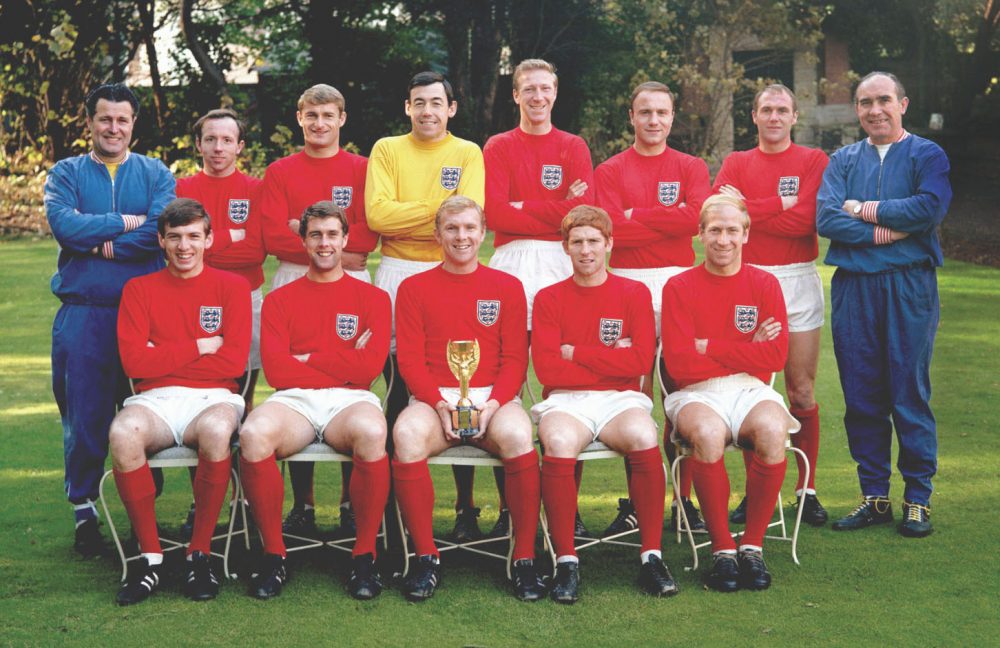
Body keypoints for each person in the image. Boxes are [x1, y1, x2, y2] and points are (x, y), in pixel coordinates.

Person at [817, 71, 951, 538]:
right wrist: (884, 232)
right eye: (865, 102)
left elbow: (929, 209)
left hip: (908, 286)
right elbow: (827, 217)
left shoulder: (926, 154)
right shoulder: (842, 160)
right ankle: (874, 496)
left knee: (908, 391)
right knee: (862, 395)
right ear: (857, 109)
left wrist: (865, 209)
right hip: (855, 289)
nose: (875, 110)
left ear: (903, 103)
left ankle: (917, 498)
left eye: (884, 100)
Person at [391, 196, 544, 602]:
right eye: (452, 229)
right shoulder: (412, 288)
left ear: (484, 232)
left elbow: (515, 358)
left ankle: (524, 558)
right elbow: (409, 359)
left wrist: (493, 405)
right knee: (406, 435)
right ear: (437, 234)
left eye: (470, 228)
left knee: (517, 434)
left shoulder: (508, 287)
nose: (462, 236)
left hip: (494, 398)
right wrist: (438, 404)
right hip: (435, 398)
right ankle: (425, 557)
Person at [44, 83, 175, 556]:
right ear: (90, 122)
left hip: (148, 317)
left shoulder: (156, 172)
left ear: (133, 124)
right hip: (86, 316)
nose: (113, 128)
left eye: (122, 120)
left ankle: (146, 510)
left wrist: (98, 234)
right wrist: (125, 222)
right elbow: (65, 226)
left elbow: (161, 230)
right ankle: (83, 509)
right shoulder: (66, 173)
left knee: (153, 411)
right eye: (105, 119)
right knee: (84, 415)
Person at [239, 201, 391, 600]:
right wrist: (343, 359)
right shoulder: (279, 299)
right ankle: (274, 554)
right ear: (303, 241)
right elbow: (277, 372)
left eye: (332, 235)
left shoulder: (373, 299)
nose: (324, 243)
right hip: (295, 401)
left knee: (373, 432)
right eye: (315, 235)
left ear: (346, 239)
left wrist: (309, 358)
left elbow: (367, 370)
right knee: (254, 434)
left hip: (350, 399)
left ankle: (364, 556)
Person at [109, 197, 251, 605]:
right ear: (161, 240)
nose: (184, 246)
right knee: (122, 432)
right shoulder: (138, 290)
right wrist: (201, 344)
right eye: (174, 237)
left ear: (209, 239)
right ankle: (151, 558)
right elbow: (135, 361)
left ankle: (199, 553)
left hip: (215, 395)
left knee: (217, 429)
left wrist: (164, 351)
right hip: (153, 398)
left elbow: (234, 360)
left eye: (193, 236)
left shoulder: (232, 287)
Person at [532, 205, 675, 604]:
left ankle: (651, 556)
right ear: (565, 247)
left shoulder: (633, 292)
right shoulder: (548, 298)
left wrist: (575, 352)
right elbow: (547, 370)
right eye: (577, 242)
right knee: (559, 441)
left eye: (594, 240)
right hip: (566, 401)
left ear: (609, 243)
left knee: (643, 433)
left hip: (621, 399)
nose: (586, 250)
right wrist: (610, 357)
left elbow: (639, 361)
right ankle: (566, 559)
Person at [366, 71, 485, 538]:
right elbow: (378, 215)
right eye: (419, 103)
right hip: (397, 270)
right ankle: (397, 507)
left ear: (451, 108)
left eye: (437, 103)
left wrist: (411, 210)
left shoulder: (467, 152)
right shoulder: (387, 149)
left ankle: (466, 506)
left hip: (453, 273)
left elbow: (469, 215)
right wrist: (438, 209)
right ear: (407, 107)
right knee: (400, 383)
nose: (428, 111)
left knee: (462, 376)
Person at [662, 194, 796, 592]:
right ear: (700, 234)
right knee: (706, 434)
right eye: (715, 230)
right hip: (695, 393)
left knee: (773, 430)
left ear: (746, 234)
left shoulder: (765, 283)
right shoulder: (679, 286)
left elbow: (774, 355)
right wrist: (745, 348)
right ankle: (722, 548)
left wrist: (711, 346)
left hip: (750, 388)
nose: (723, 239)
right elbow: (681, 366)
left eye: (732, 230)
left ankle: (752, 545)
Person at [484, 58, 595, 540]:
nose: (537, 97)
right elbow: (497, 214)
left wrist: (527, 206)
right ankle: (513, 507)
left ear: (556, 92)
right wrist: (554, 208)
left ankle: (564, 505)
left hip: (561, 264)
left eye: (545, 88)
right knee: (501, 382)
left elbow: (581, 215)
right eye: (528, 89)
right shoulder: (499, 145)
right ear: (516, 95)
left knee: (564, 384)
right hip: (510, 265)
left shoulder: (573, 146)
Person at [258, 84, 375, 538]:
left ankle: (349, 501)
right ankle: (303, 504)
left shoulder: (362, 168)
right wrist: (334, 252)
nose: (320, 124)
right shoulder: (281, 170)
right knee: (293, 388)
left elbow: (369, 232)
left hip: (350, 285)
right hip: (293, 279)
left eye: (328, 115)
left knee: (352, 383)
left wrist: (309, 236)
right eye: (312, 116)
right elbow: (271, 235)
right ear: (299, 118)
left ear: (342, 118)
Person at [594, 80, 711, 536]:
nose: (654, 121)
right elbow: (612, 233)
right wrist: (667, 220)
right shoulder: (610, 170)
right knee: (635, 398)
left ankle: (684, 502)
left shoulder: (690, 165)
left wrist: (634, 216)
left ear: (672, 117)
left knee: (681, 395)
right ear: (632, 116)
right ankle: (635, 503)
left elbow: (696, 221)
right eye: (645, 113)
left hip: (681, 288)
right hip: (627, 290)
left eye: (662, 113)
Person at [713, 84, 831, 526]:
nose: (775, 117)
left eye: (783, 110)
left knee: (800, 389)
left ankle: (807, 489)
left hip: (799, 278)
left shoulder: (814, 161)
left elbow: (810, 217)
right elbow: (724, 215)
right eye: (767, 110)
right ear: (754, 116)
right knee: (752, 393)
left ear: (794, 116)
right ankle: (755, 493)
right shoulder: (737, 162)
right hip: (750, 283)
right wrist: (778, 204)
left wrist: (752, 209)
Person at [176, 108, 265, 409]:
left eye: (227, 140)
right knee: (195, 388)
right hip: (193, 297)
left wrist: (203, 248)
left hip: (246, 296)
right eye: (210, 139)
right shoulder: (183, 189)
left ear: (239, 146)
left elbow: (256, 249)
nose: (218, 147)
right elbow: (177, 250)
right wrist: (232, 235)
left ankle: (242, 456)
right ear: (198, 144)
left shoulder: (256, 189)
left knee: (243, 396)